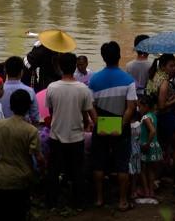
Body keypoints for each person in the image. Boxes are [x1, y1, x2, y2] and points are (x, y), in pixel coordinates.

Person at [88, 41, 138, 211]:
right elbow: (131, 108)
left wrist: (98, 124)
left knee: (99, 163)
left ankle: (99, 199)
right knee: (122, 164)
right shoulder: (128, 80)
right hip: (120, 126)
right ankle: (123, 201)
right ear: (119, 56)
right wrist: (121, 125)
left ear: (103, 57)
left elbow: (90, 106)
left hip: (101, 125)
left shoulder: (94, 79)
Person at [44, 52, 93, 210]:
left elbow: (52, 112)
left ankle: (52, 202)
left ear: (59, 67)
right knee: (77, 171)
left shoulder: (52, 88)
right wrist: (86, 123)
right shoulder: (83, 89)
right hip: (76, 136)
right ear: (74, 67)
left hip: (56, 135)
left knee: (54, 171)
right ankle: (78, 203)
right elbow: (86, 113)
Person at [0, 90, 44, 221]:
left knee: (0, 215)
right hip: (21, 181)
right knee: (19, 215)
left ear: (11, 106)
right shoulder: (31, 130)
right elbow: (39, 158)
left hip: (1, 179)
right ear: (28, 107)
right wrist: (42, 172)